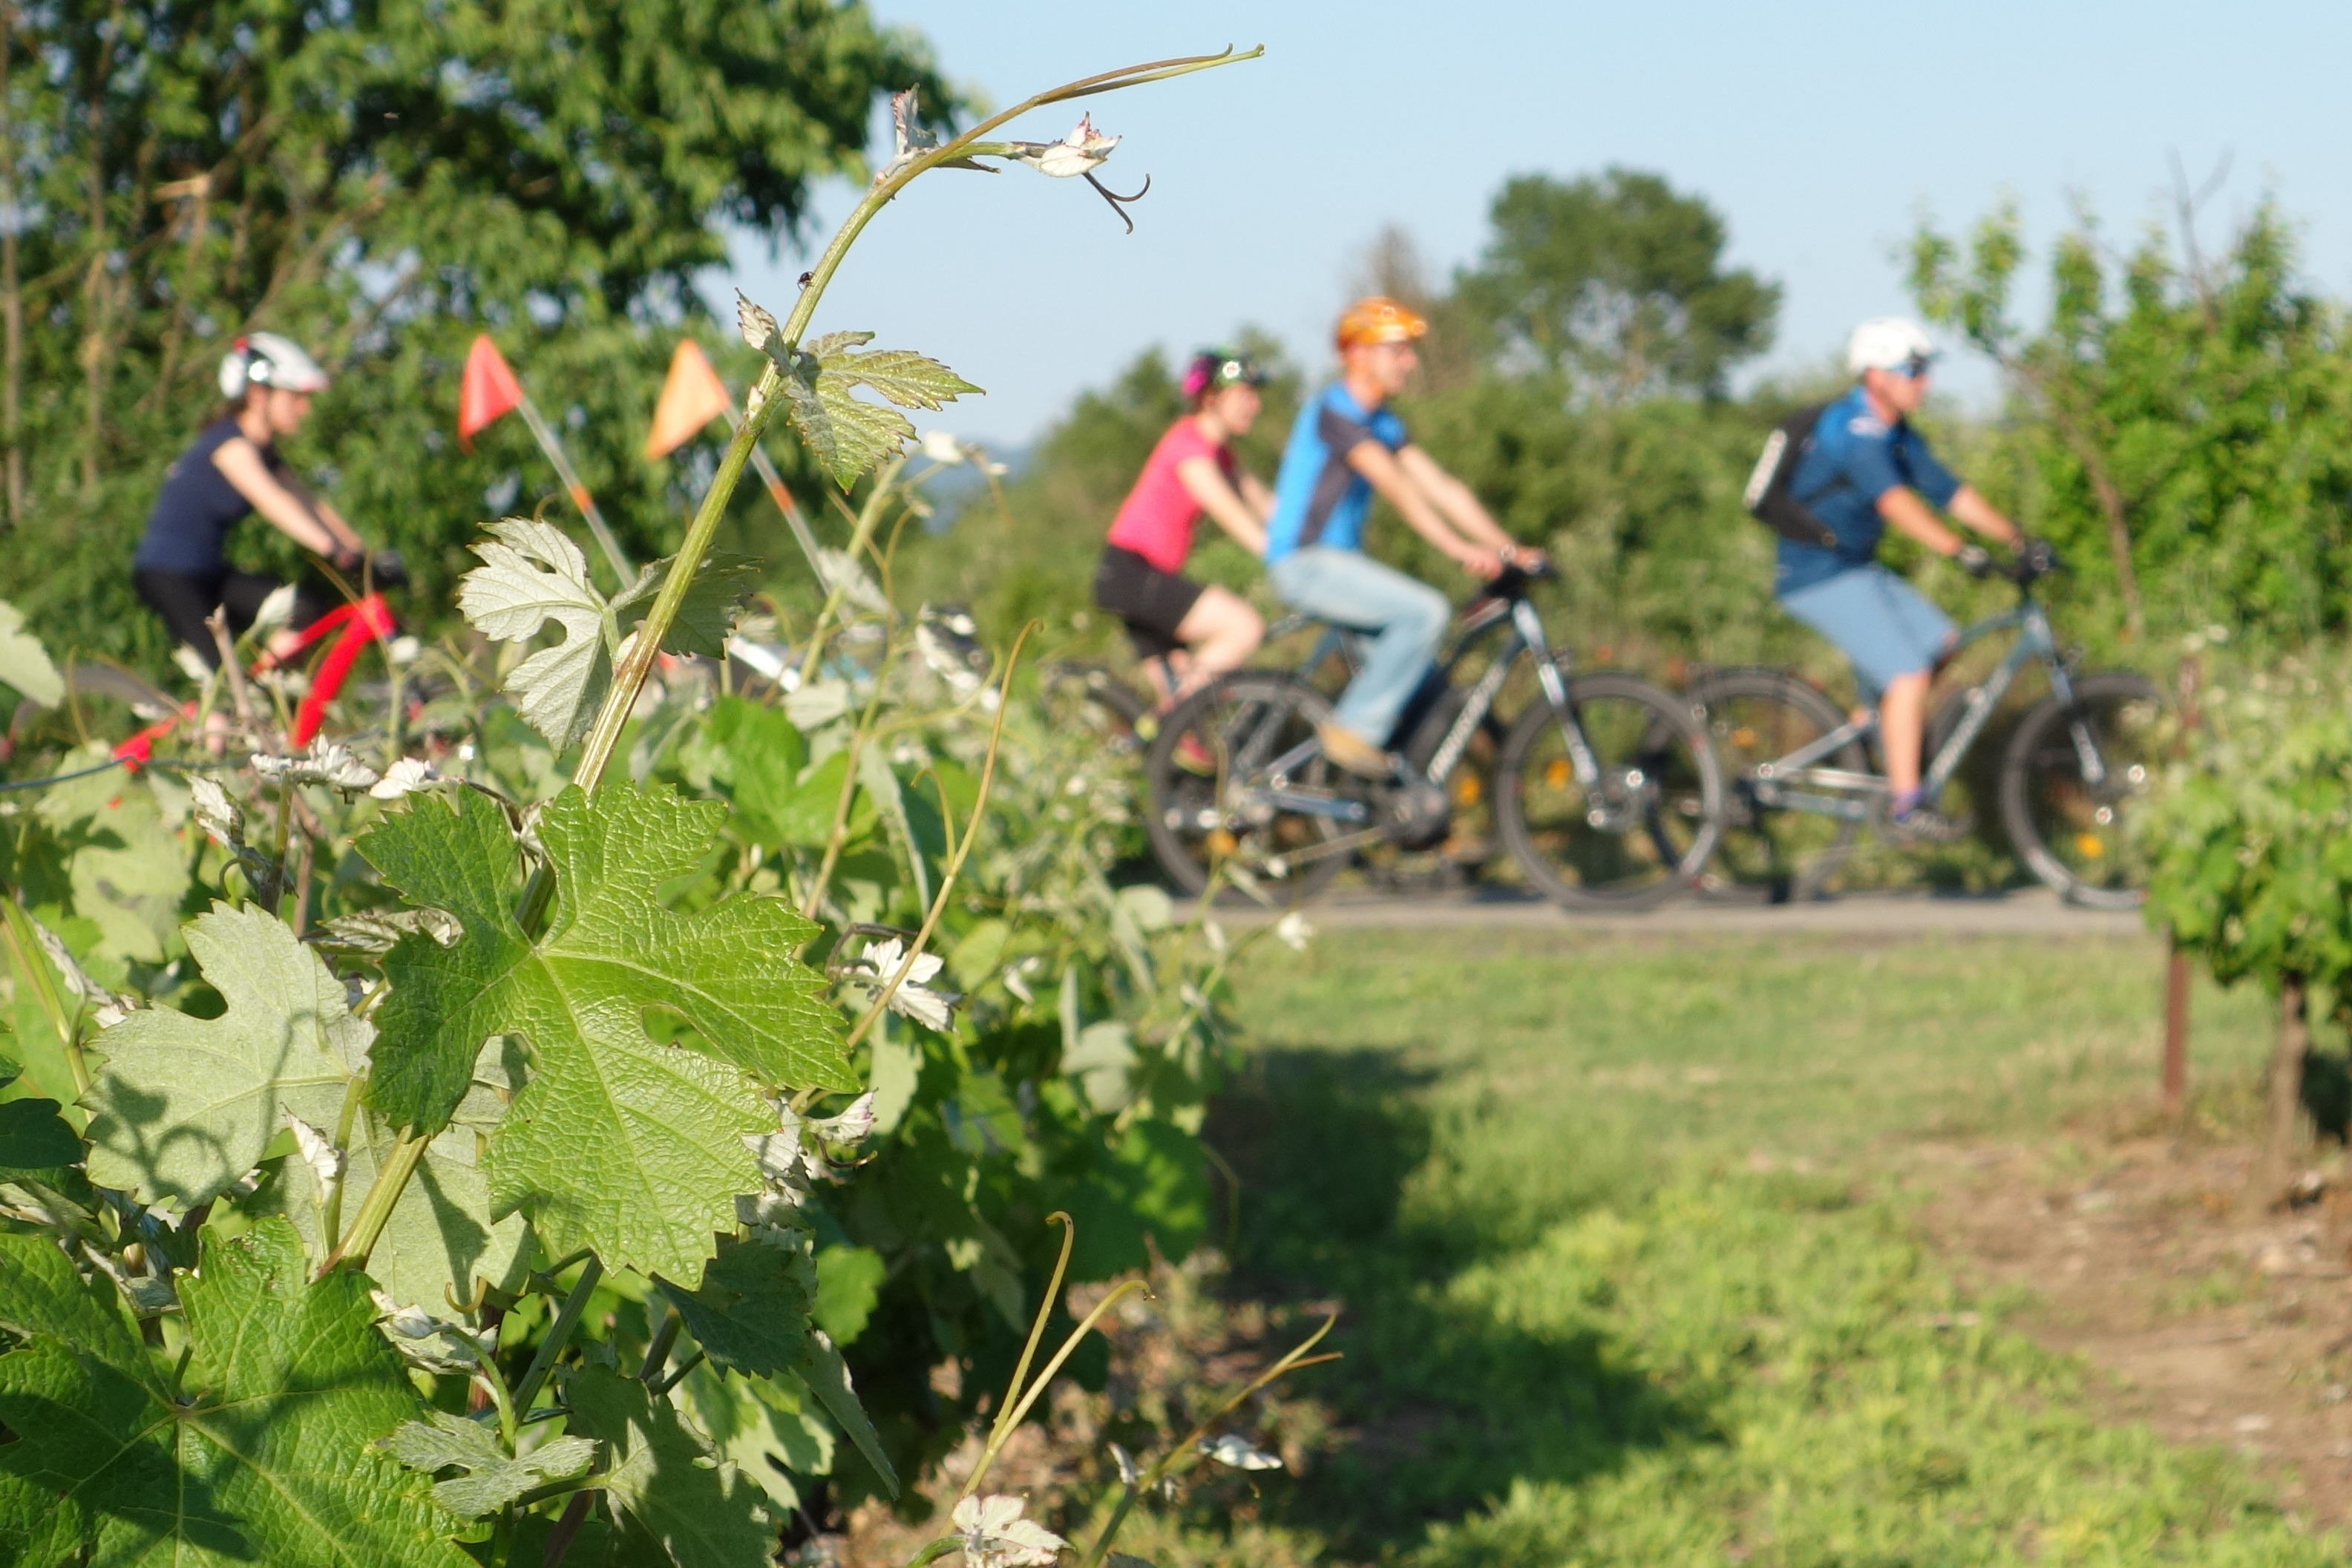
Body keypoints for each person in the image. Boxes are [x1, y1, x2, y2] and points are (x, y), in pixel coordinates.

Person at [1263, 297, 1543, 778]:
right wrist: (1457, 548)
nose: (1409, 362)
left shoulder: (1383, 422)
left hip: (1338, 564)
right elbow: (1396, 486)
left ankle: (1382, 799)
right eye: (1397, 351)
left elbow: (1440, 487)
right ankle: (1351, 734)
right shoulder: (1336, 411)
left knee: (1422, 682)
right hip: (1306, 563)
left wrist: (1507, 547)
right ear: (1357, 355)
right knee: (1425, 612)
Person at [1774, 317, 2025, 841]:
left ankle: (1880, 724)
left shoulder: (1895, 433)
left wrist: (2018, 539)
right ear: (1875, 376)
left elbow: (1949, 492)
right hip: (1815, 575)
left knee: (1942, 642)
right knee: (1909, 674)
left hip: (1855, 568)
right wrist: (1959, 551)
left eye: (1924, 370)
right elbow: (1895, 503)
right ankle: (1906, 805)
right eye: (1912, 370)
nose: (1924, 382)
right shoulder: (1852, 430)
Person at [134, 332, 367, 669]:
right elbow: (273, 501)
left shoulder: (266, 454)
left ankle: (267, 694)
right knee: (223, 686)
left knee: (303, 609)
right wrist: (334, 551)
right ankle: (223, 716)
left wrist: (363, 553)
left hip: (208, 573)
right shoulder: (230, 445)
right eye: (296, 396)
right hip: (170, 576)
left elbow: (311, 505)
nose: (305, 407)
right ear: (258, 395)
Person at [1093, 348, 1274, 706]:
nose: (1254, 405)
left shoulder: (1220, 454)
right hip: (1132, 574)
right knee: (1243, 627)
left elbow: (1267, 506)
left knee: (1184, 705)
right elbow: (1230, 512)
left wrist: (1317, 540)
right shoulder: (1189, 446)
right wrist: (1279, 553)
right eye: (1244, 395)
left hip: (1140, 577)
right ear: (1210, 398)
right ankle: (1175, 720)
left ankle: (1160, 737)